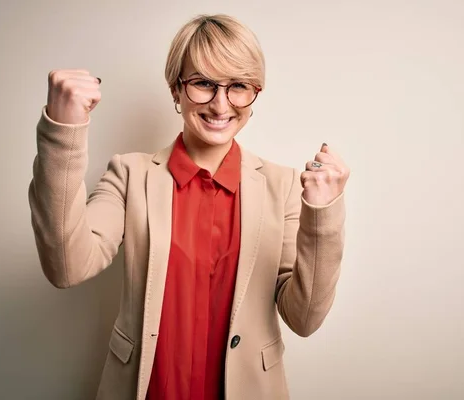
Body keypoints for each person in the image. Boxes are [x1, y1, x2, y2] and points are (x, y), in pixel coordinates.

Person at [28, 13, 349, 400]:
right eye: (202, 84)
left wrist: (323, 215)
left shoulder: (281, 186)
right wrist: (62, 134)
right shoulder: (129, 174)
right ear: (175, 90)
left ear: (255, 94)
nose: (220, 104)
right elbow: (66, 266)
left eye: (239, 86)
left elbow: (305, 318)